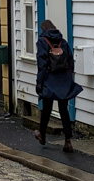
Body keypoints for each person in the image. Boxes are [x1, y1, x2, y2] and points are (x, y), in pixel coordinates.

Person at [34, 19, 83, 153]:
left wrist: (40, 82)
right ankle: (68, 141)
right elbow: (70, 62)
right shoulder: (64, 42)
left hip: (49, 80)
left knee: (47, 109)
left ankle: (42, 135)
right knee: (64, 110)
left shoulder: (43, 42)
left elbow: (42, 65)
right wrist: (68, 79)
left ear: (43, 29)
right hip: (63, 81)